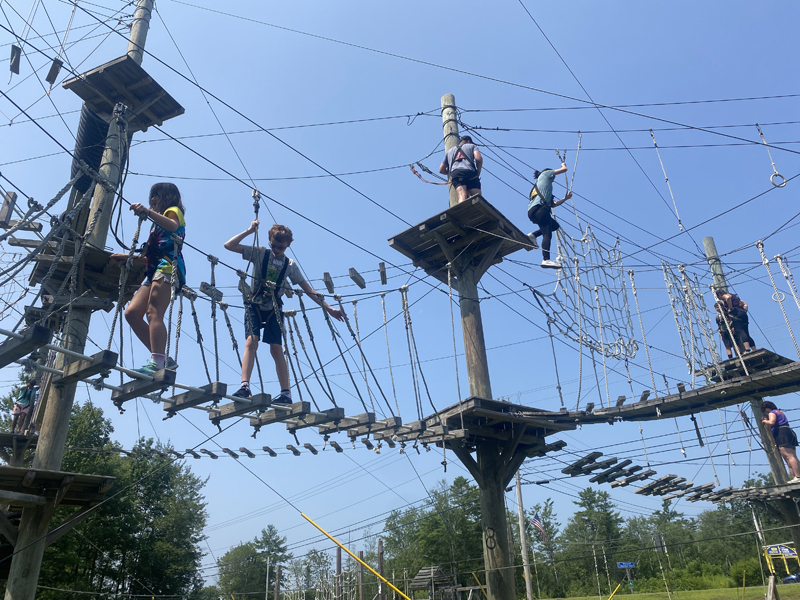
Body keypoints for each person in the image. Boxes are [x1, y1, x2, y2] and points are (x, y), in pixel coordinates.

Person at [224, 221, 344, 403]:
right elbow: (229, 245)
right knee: (252, 341)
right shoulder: (260, 253)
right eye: (274, 245)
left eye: (281, 247)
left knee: (276, 348)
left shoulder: (289, 265)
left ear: (289, 245)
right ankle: (245, 385)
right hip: (254, 303)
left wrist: (328, 308)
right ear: (269, 241)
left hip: (274, 307)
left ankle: (286, 393)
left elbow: (307, 289)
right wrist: (249, 231)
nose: (277, 249)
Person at [112, 182, 186, 375]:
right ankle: (163, 357)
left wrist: (147, 211)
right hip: (154, 270)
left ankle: (157, 362)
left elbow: (173, 225)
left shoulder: (173, 211)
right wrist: (126, 257)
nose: (152, 199)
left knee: (153, 313)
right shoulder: (157, 224)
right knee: (132, 313)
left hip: (169, 267)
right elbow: (153, 254)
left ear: (168, 197)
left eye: (157, 195)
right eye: (151, 196)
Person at [527, 163, 573, 269]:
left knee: (555, 226)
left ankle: (533, 235)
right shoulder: (545, 174)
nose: (553, 179)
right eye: (554, 177)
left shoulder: (545, 190)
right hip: (540, 210)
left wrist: (565, 198)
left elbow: (554, 204)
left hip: (534, 212)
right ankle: (546, 259)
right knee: (547, 234)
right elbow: (564, 169)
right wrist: (563, 164)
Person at [761, 401, 800, 482]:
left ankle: (798, 476)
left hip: (781, 433)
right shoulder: (780, 412)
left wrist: (765, 421)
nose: (765, 412)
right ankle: (795, 477)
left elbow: (772, 422)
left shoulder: (772, 412)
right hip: (788, 432)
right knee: (790, 457)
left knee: (789, 456)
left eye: (765, 410)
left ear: (767, 408)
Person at [439, 135, 483, 204]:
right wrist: (478, 172)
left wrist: (452, 171)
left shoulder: (449, 151)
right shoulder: (472, 146)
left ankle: (462, 210)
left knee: (462, 196)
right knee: (477, 197)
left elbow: (441, 170)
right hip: (470, 172)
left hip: (457, 173)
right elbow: (478, 158)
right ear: (468, 141)